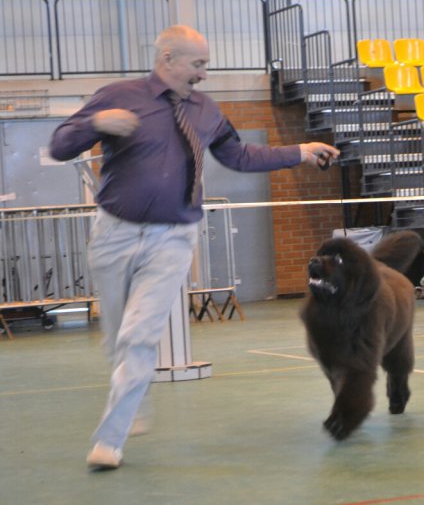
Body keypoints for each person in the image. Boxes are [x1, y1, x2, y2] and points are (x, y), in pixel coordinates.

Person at [48, 25, 339, 471]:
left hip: (173, 237)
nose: (204, 74)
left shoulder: (205, 110)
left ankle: (110, 439)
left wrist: (299, 151)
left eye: (206, 65)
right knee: (117, 337)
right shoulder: (118, 95)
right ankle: (134, 391)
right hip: (114, 234)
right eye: (197, 64)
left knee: (139, 335)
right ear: (168, 59)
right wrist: (95, 124)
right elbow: (59, 146)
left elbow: (238, 156)